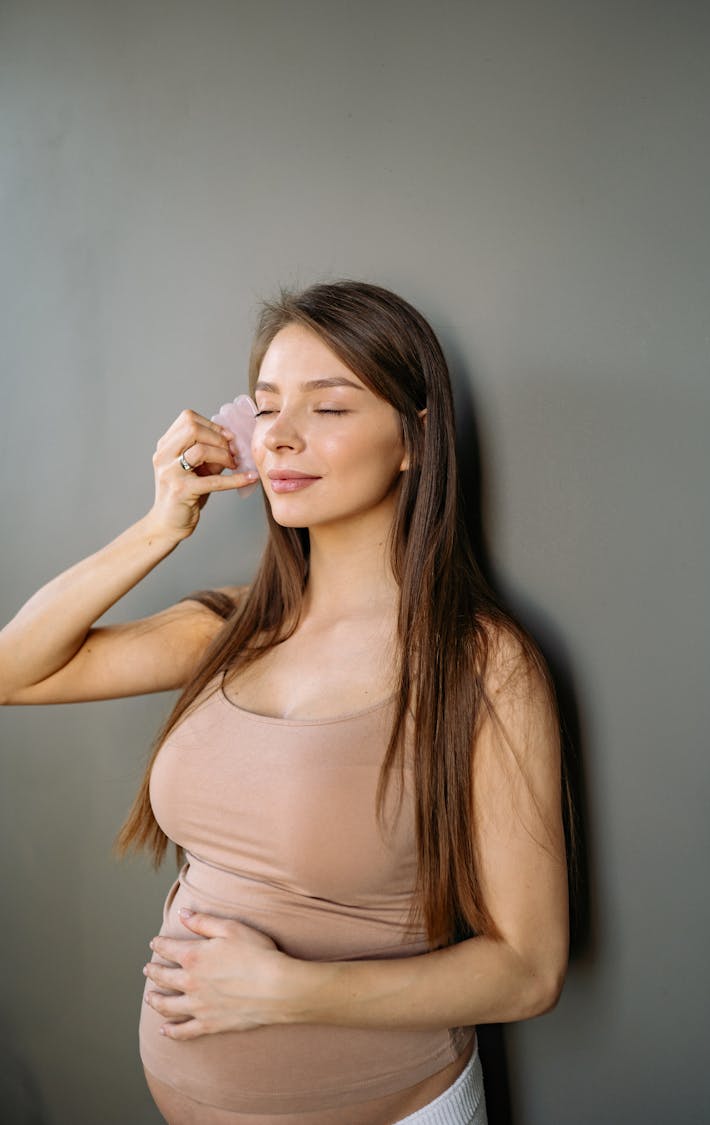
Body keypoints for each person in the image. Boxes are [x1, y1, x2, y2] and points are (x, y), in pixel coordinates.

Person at [0, 281, 570, 1124]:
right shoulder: (234, 625)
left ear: (414, 439)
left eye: (329, 408)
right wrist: (161, 526)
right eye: (266, 409)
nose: (284, 438)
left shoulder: (482, 664)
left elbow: (530, 969)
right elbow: (13, 672)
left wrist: (288, 990)